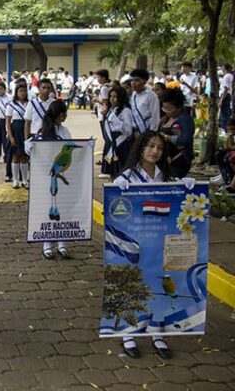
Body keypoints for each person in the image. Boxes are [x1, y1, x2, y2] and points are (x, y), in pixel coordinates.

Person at [114, 130, 195, 359]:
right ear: (141, 148)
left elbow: (178, 197)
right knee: (132, 285)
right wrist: (117, 190)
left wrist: (187, 186)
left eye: (159, 148)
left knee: (160, 286)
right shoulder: (128, 177)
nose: (154, 151)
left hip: (159, 244)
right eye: (150, 146)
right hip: (135, 244)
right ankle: (128, 334)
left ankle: (158, 333)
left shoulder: (165, 177)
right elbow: (116, 205)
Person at [34, 100, 73, 260]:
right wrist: (30, 146)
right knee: (48, 209)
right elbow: (33, 149)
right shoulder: (43, 132)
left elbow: (72, 148)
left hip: (63, 175)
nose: (64, 116)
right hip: (46, 176)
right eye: (62, 113)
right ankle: (47, 244)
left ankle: (62, 243)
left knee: (63, 207)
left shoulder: (65, 131)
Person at [159, 88, 194, 179]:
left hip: (179, 158)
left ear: (179, 107)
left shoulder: (185, 119)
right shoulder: (165, 118)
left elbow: (185, 139)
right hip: (166, 159)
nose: (166, 111)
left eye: (169, 108)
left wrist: (167, 137)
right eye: (164, 108)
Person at [102, 86, 133, 178]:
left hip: (121, 145)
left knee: (121, 172)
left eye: (115, 96)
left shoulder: (126, 111)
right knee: (112, 172)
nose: (112, 99)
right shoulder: (110, 111)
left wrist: (117, 122)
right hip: (110, 144)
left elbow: (128, 131)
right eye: (110, 96)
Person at [6, 80, 30, 189]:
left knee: (24, 157)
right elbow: (7, 122)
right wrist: (10, 136)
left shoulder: (29, 104)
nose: (23, 93)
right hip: (15, 130)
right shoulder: (11, 105)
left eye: (24, 91)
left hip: (26, 131)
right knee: (15, 156)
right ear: (16, 92)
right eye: (20, 91)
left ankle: (24, 180)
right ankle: (15, 180)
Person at [129, 69, 161, 137]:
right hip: (135, 131)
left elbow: (155, 117)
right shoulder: (133, 95)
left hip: (147, 130)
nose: (133, 83)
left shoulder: (152, 96)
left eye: (137, 80)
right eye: (132, 80)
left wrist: (152, 133)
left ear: (144, 81)